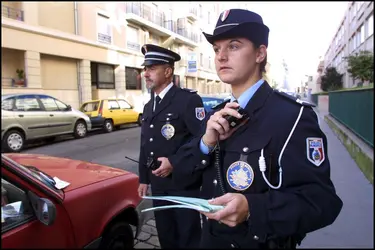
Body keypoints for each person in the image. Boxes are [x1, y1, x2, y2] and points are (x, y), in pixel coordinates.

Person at [171, 9, 343, 249]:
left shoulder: (293, 116)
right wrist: (206, 143)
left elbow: (323, 203)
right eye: (216, 48)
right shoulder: (216, 114)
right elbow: (181, 176)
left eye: (233, 46)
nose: (221, 56)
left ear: (260, 53)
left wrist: (254, 209)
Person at [137, 44, 204, 248]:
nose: (146, 74)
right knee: (166, 235)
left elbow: (202, 139)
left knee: (187, 236)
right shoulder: (150, 105)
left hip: (183, 184)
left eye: (152, 68)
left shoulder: (188, 100)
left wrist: (174, 162)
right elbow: (146, 142)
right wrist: (143, 178)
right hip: (159, 185)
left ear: (168, 71)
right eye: (145, 69)